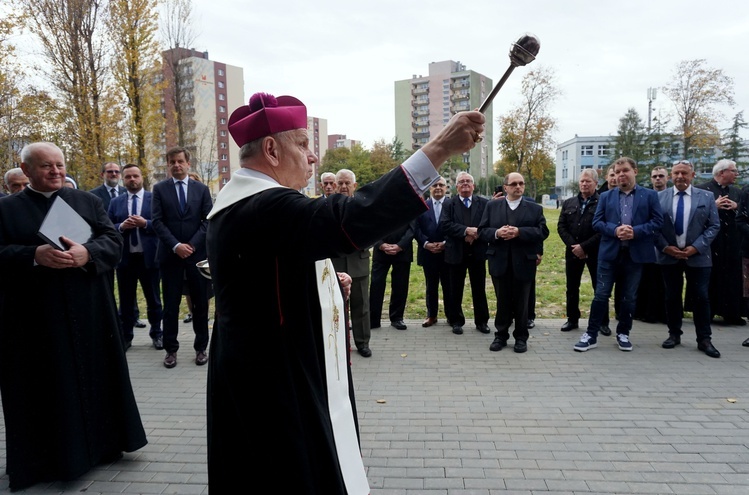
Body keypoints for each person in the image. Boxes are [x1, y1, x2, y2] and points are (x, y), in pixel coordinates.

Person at [204, 91, 484, 493]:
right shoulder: (262, 205)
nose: (313, 157)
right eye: (302, 144)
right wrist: (438, 149)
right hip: (271, 382)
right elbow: (351, 220)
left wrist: (324, 285)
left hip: (262, 365)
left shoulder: (246, 204)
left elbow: (268, 278)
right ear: (271, 149)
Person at [0, 142, 147, 491]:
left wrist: (87, 253)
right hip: (35, 320)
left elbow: (113, 240)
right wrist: (33, 255)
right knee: (47, 386)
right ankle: (51, 459)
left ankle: (104, 447)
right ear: (26, 169)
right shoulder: (6, 209)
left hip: (90, 312)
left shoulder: (87, 202)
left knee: (97, 377)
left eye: (60, 165)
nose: (56, 171)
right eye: (47, 166)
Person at [574, 157, 663, 352]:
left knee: (629, 297)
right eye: (617, 171)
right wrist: (615, 230)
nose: (621, 174)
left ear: (635, 171)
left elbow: (658, 221)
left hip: (635, 255)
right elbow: (597, 223)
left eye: (625, 170)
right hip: (609, 255)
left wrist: (636, 231)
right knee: (600, 295)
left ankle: (623, 333)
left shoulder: (649, 196)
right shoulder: (606, 196)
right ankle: (591, 334)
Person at [152, 146, 213, 368]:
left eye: (180, 161)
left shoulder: (201, 189)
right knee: (170, 306)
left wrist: (191, 245)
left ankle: (201, 348)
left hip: (196, 257)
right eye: (172, 162)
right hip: (170, 257)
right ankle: (171, 350)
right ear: (167, 165)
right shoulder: (159, 189)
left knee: (200, 305)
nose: (176, 165)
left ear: (188, 163)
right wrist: (176, 245)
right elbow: (157, 221)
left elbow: (207, 220)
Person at [655, 160, 720, 358]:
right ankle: (674, 334)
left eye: (684, 173)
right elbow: (654, 226)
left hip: (698, 257)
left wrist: (695, 247)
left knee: (701, 297)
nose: (680, 177)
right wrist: (666, 247)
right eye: (676, 173)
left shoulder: (707, 197)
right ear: (670, 176)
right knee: (671, 296)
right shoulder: (659, 197)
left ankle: (704, 339)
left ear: (692, 175)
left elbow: (713, 226)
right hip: (669, 256)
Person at [478, 172, 548, 353]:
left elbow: (542, 232)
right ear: (505, 187)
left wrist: (519, 232)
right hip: (499, 260)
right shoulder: (492, 206)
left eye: (521, 183)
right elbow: (482, 231)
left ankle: (521, 338)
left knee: (522, 302)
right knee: (502, 301)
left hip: (523, 261)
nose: (519, 187)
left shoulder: (534, 208)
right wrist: (497, 233)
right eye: (514, 184)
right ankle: (500, 336)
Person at [108, 164, 164, 350]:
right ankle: (126, 336)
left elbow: (163, 225)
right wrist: (122, 227)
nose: (132, 180)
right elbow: (107, 227)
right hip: (125, 260)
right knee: (125, 301)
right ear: (124, 180)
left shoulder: (153, 198)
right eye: (128, 177)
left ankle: (157, 334)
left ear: (142, 177)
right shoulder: (116, 202)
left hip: (149, 258)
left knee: (154, 300)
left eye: (135, 176)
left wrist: (145, 223)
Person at [557, 169, 611, 335]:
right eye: (582, 181)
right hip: (573, 252)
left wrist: (585, 247)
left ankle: (603, 322)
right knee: (572, 287)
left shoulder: (604, 202)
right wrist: (574, 246)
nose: (584, 184)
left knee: (599, 287)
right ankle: (572, 319)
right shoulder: (569, 203)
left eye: (588, 181)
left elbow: (604, 230)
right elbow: (561, 226)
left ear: (596, 183)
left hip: (595, 252)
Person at [695, 159, 745, 326]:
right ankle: (707, 313)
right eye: (733, 171)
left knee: (732, 278)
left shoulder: (737, 191)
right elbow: (694, 214)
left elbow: (745, 213)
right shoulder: (702, 189)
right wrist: (713, 206)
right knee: (711, 278)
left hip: (732, 243)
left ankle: (731, 313)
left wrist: (736, 206)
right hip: (711, 242)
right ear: (722, 172)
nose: (736, 174)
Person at [439, 171, 490, 335]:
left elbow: (489, 225)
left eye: (468, 181)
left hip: (478, 252)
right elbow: (445, 225)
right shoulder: (449, 204)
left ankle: (482, 322)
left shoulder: (484, 203)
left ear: (473, 186)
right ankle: (456, 321)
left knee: (479, 288)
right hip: (456, 253)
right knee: (455, 289)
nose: (465, 183)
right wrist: (466, 231)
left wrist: (476, 234)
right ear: (456, 186)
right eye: (461, 181)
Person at [331, 169, 373, 356]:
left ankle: (362, 343)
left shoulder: (364, 206)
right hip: (336, 264)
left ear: (354, 186)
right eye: (340, 183)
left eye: (347, 183)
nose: (343, 186)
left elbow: (374, 232)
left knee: (361, 305)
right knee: (336, 306)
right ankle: (338, 343)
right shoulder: (327, 206)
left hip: (358, 262)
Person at [413, 178, 452, 327]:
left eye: (441, 185)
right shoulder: (422, 206)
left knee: (449, 286)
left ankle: (451, 315)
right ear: (429, 188)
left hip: (447, 253)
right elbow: (416, 228)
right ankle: (432, 315)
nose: (438, 188)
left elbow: (455, 225)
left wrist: (445, 244)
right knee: (431, 286)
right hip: (428, 253)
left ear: (446, 188)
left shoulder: (452, 205)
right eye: (435, 185)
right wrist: (426, 244)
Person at [633, 166, 669, 324]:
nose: (658, 179)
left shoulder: (671, 196)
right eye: (655, 176)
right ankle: (645, 312)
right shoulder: (645, 196)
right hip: (647, 244)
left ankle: (664, 313)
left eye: (661, 176)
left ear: (667, 178)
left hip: (668, 245)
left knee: (664, 282)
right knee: (647, 281)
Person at [369, 222, 414, 330]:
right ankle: (373, 319)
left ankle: (397, 318)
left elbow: (413, 228)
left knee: (400, 285)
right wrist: (380, 244)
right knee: (376, 285)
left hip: (403, 251)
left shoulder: (410, 205)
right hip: (380, 251)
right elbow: (371, 225)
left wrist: (400, 245)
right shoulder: (377, 204)